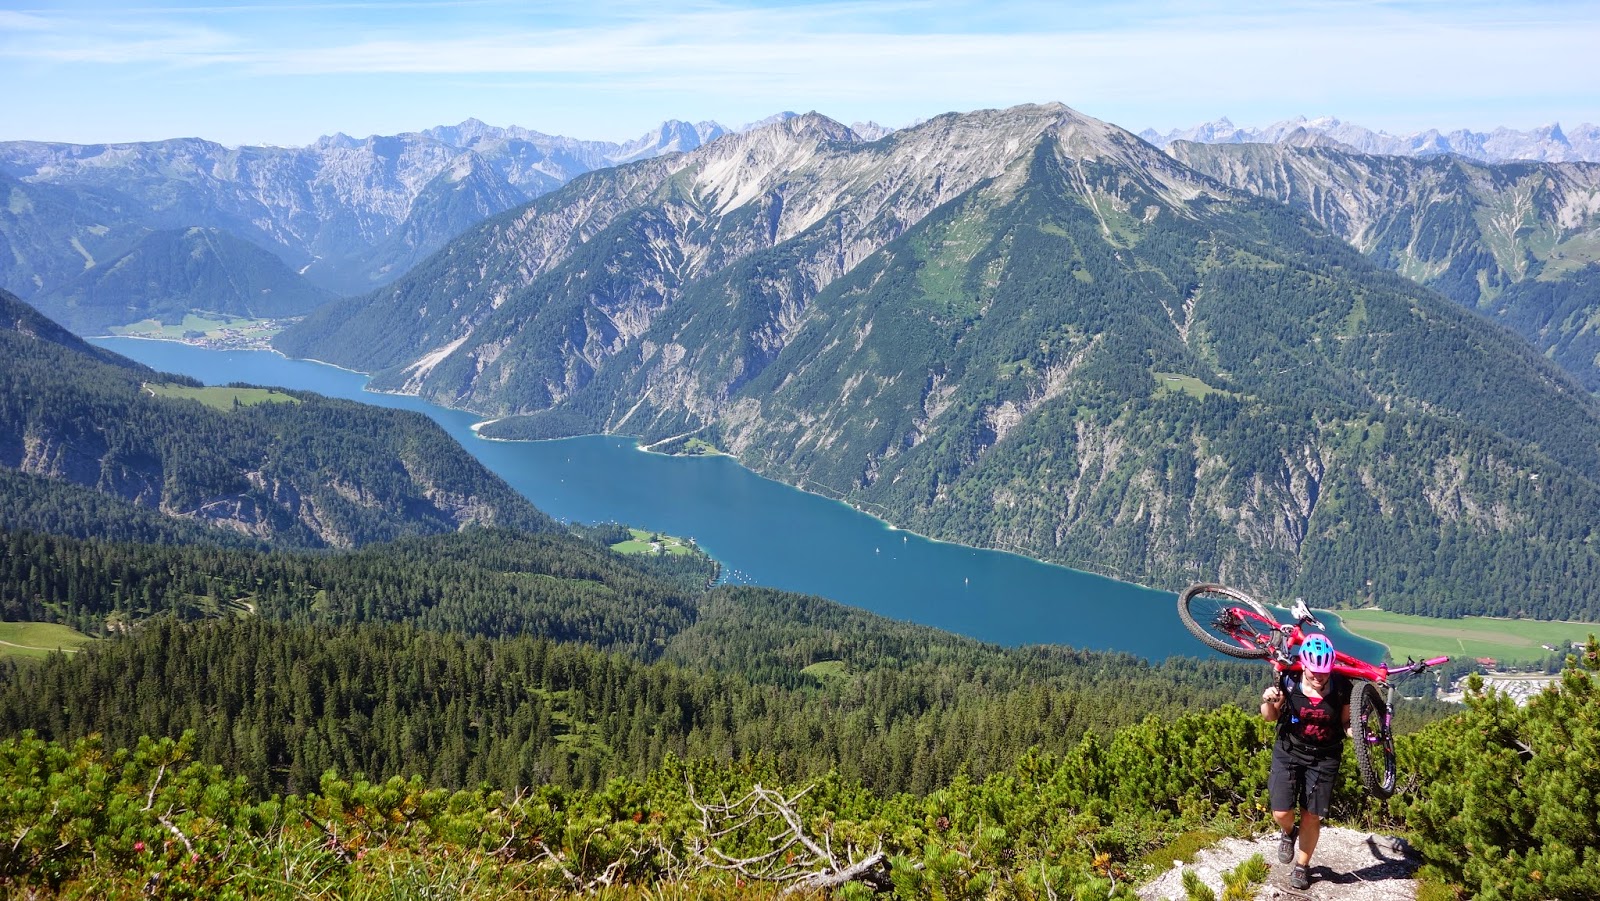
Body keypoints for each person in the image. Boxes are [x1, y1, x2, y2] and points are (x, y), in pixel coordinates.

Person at [1260, 634, 1351, 891]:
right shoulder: (1288, 681)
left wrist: (1353, 731)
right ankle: (1288, 833)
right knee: (1281, 812)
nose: (1318, 677)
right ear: (1304, 666)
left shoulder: (1342, 687)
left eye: (1323, 672)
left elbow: (1345, 721)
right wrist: (1268, 700)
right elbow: (1270, 717)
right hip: (1289, 750)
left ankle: (1302, 866)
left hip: (1325, 756)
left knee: (1311, 815)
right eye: (1313, 671)